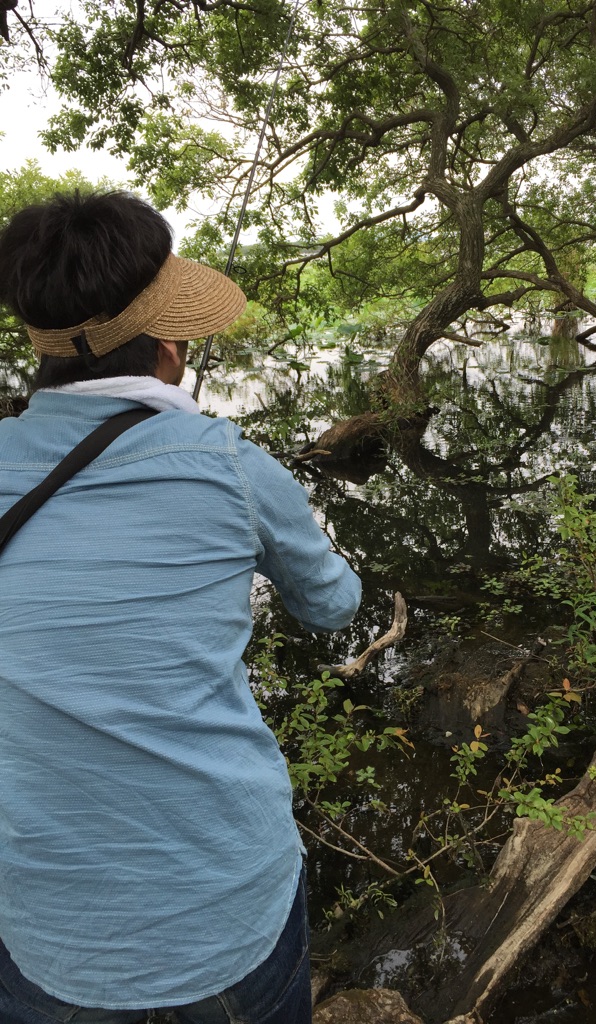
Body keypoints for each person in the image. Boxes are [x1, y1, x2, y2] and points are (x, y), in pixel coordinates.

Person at [0, 190, 361, 1024]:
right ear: (168, 348)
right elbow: (333, 607)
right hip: (229, 910)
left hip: (46, 931)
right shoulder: (231, 464)